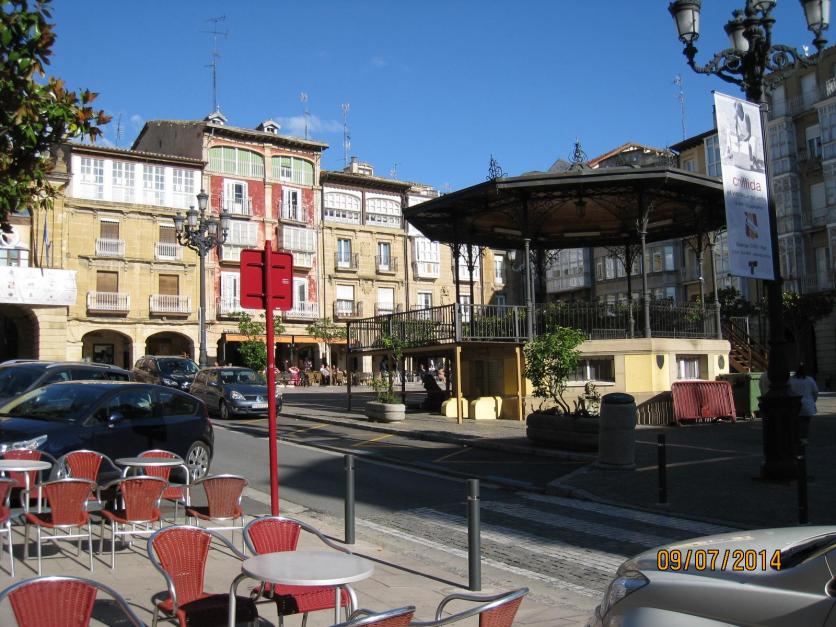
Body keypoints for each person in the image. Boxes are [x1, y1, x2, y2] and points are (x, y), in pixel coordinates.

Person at [789, 363, 818, 441]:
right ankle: (804, 437)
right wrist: (813, 400)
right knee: (806, 422)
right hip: (808, 404)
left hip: (795, 404)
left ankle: (797, 437)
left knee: (796, 422)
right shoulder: (810, 379)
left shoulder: (791, 380)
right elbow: (815, 391)